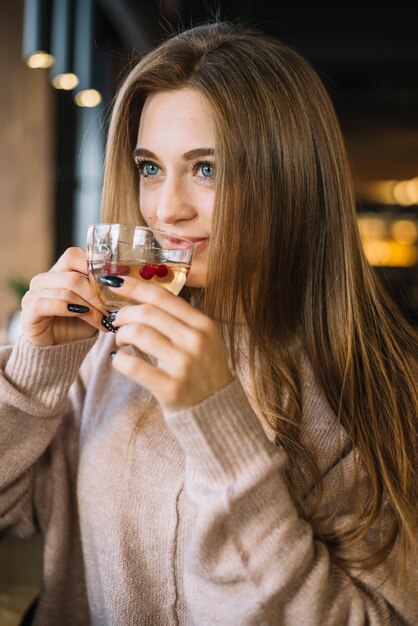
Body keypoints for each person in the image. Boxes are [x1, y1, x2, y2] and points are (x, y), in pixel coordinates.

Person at [0, 20, 417, 626]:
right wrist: (32, 379)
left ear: (291, 177)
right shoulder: (107, 352)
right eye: (150, 168)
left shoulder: (380, 387)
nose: (168, 208)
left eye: (207, 169)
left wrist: (220, 426)